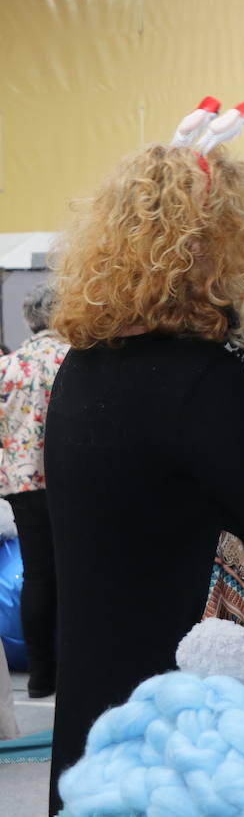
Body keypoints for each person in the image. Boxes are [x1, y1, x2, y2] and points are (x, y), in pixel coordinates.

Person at [43, 142, 244, 813]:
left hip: (97, 707)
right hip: (185, 724)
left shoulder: (79, 371)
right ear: (215, 247)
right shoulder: (201, 383)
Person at [0, 285, 68, 699]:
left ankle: (42, 678)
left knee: (38, 575)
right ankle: (74, 670)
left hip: (22, 485)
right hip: (70, 482)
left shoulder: (8, 367)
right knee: (77, 574)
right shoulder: (73, 359)